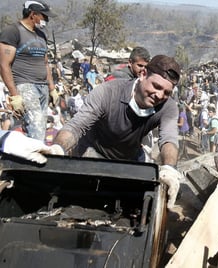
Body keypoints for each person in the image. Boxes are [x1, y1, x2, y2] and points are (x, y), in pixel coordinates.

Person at [51, 55, 183, 209]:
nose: (160, 95)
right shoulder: (109, 92)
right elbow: (76, 126)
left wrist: (169, 168)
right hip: (94, 153)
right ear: (143, 74)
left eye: (166, 92)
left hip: (130, 158)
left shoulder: (168, 106)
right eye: (156, 86)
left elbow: (169, 139)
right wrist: (57, 148)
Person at [0, 0, 59, 141]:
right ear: (33, 14)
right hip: (25, 85)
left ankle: (26, 158)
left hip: (42, 86)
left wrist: (52, 89)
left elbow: (45, 63)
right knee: (36, 126)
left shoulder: (41, 35)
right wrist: (15, 95)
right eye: (44, 16)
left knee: (38, 127)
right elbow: (4, 64)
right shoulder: (13, 31)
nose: (47, 20)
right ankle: (37, 159)